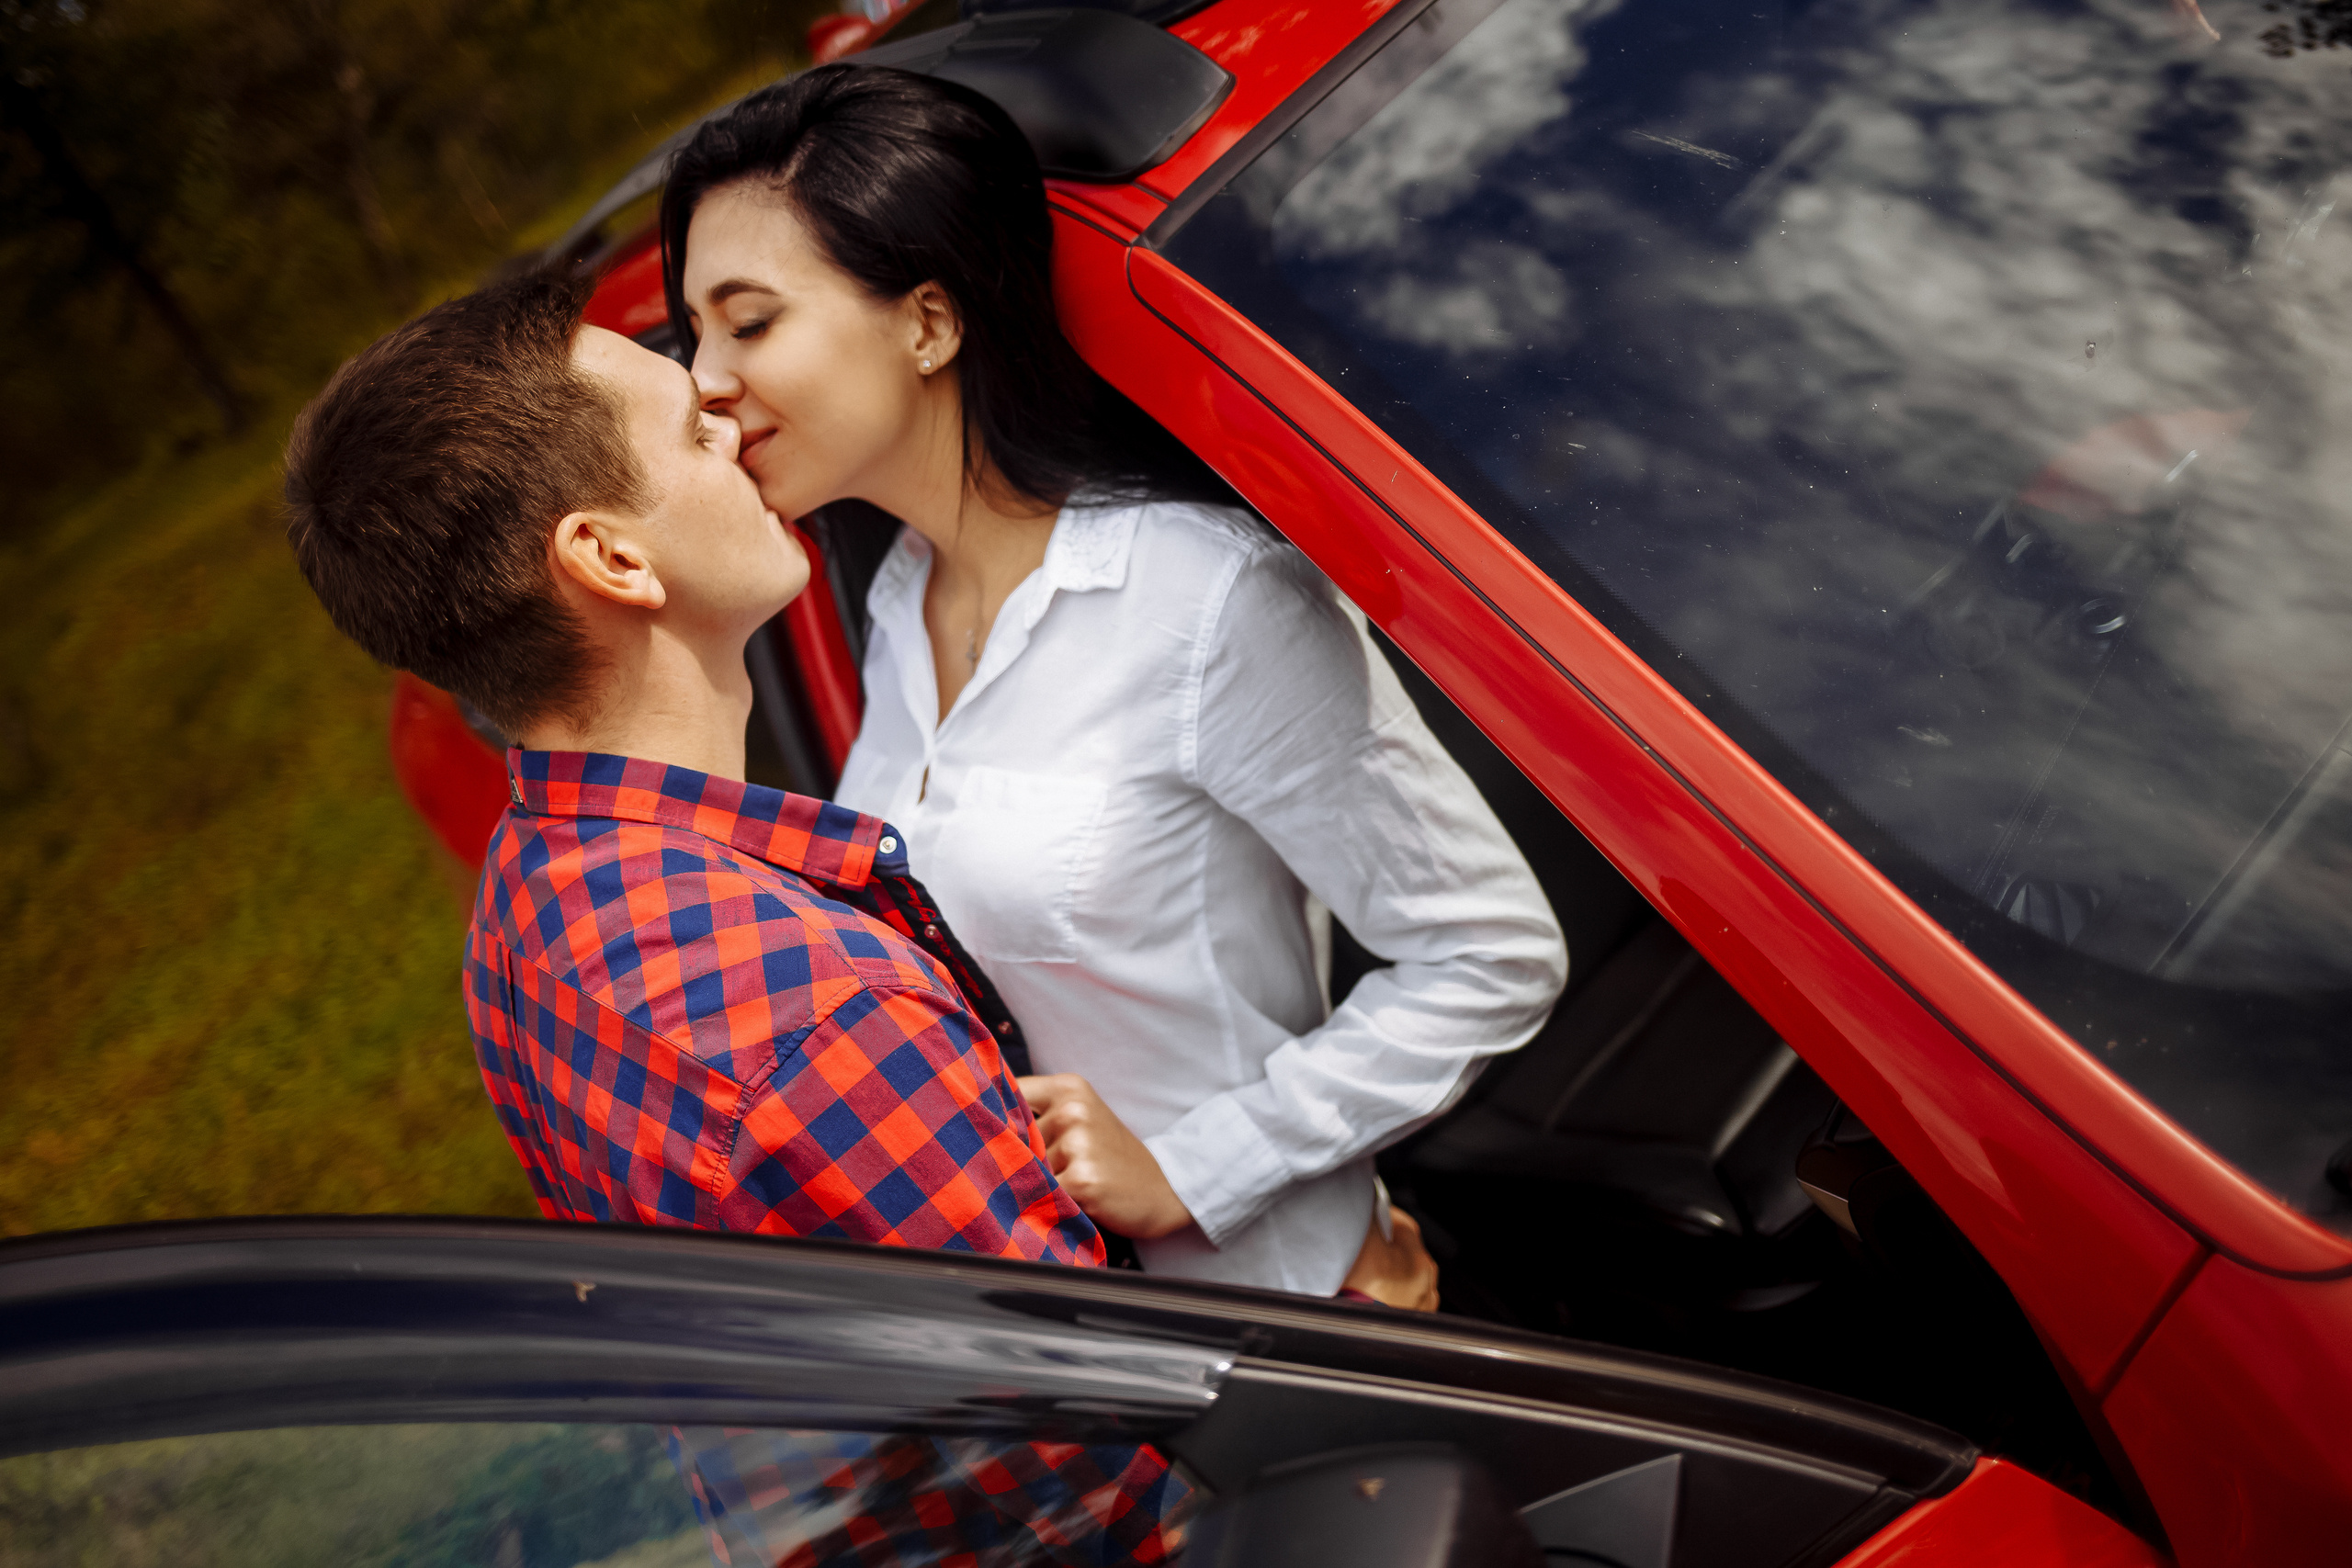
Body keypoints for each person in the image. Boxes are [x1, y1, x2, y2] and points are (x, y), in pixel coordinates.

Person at [282, 270, 1184, 1564]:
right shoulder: (816, 1020)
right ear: (610, 558)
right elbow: (1117, 1489)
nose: (736, 410)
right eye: (693, 427)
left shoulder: (525, 916)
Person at [666, 66, 1570, 1301]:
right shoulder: (892, 607)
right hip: (1095, 1340)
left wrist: (1196, 1167)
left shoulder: (1202, 599)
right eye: (693, 334)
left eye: (749, 321)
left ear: (928, 321)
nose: (704, 382)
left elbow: (1490, 954)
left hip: (1306, 1322)